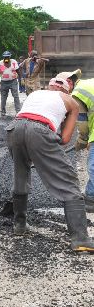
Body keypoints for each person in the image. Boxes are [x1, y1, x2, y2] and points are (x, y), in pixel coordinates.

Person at [5, 75, 94, 252]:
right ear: (66, 90)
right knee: (68, 180)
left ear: (50, 86)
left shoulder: (35, 94)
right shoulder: (71, 102)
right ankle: (80, 239)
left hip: (14, 129)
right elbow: (65, 139)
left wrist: (34, 150)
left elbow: (26, 121)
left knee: (21, 175)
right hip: (40, 131)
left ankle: (19, 226)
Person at [69, 73, 94, 212]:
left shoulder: (78, 93)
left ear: (69, 83)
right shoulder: (89, 83)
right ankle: (90, 197)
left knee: (93, 166)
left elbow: (83, 123)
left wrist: (83, 139)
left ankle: (91, 199)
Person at [0, 51, 21, 117]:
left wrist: (21, 79)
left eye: (7, 57)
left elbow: (18, 71)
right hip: (4, 83)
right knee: (3, 97)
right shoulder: (0, 63)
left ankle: (18, 111)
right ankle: (3, 112)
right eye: (5, 57)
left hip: (13, 81)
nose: (6, 58)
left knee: (16, 96)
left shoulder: (13, 62)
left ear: (9, 57)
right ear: (3, 57)